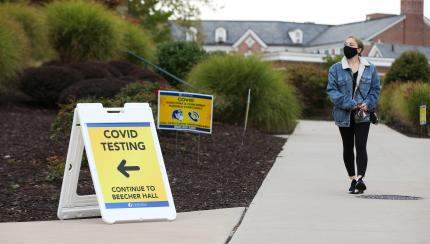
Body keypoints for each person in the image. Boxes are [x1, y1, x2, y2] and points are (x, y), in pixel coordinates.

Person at [326, 36, 381, 194]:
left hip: (363, 113)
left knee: (361, 146)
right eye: (345, 44)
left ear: (359, 49)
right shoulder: (335, 69)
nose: (347, 47)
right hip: (343, 114)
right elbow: (332, 91)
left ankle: (361, 178)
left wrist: (368, 103)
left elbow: (375, 90)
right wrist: (350, 103)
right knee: (348, 147)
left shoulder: (370, 68)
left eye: (351, 44)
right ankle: (353, 179)